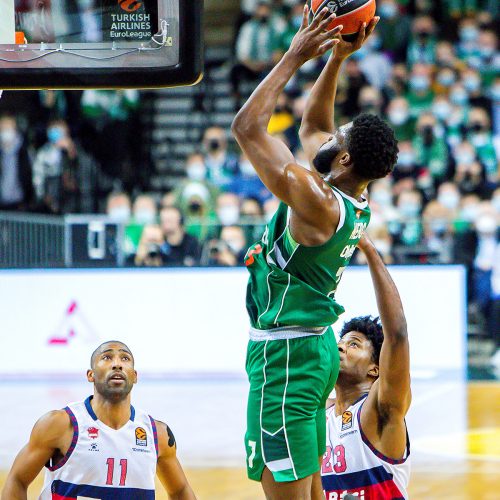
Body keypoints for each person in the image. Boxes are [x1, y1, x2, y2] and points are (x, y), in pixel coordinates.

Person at [232, 7, 398, 499]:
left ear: (343, 158)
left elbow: (247, 128)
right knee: (308, 486)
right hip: (311, 348)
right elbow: (313, 125)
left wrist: (295, 55)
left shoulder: (317, 199)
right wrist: (337, 59)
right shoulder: (352, 197)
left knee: (284, 485)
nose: (332, 132)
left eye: (340, 137)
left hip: (286, 355)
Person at [2, 340, 196, 499]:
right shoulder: (60, 424)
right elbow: (17, 480)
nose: (117, 363)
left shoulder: (157, 434)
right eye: (107, 357)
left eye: (125, 358)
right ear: (90, 375)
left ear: (135, 376)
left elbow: (180, 491)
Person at [321, 235, 411, 498]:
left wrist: (369, 250)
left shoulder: (380, 408)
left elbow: (398, 335)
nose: (340, 347)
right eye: (341, 342)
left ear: (375, 369)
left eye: (354, 345)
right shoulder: (319, 413)